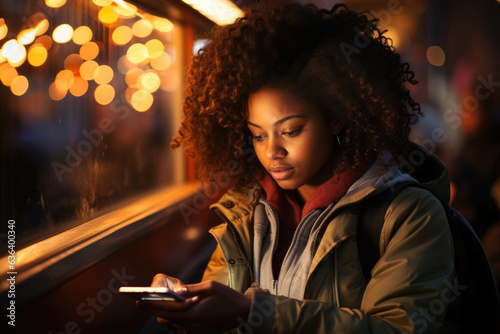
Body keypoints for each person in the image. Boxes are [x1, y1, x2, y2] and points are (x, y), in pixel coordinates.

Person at [137, 2, 455, 333]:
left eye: (290, 131)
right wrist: (185, 308)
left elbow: (399, 328)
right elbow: (218, 305)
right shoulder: (246, 210)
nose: (272, 151)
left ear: (336, 117)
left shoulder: (409, 215)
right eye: (258, 135)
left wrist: (256, 313)